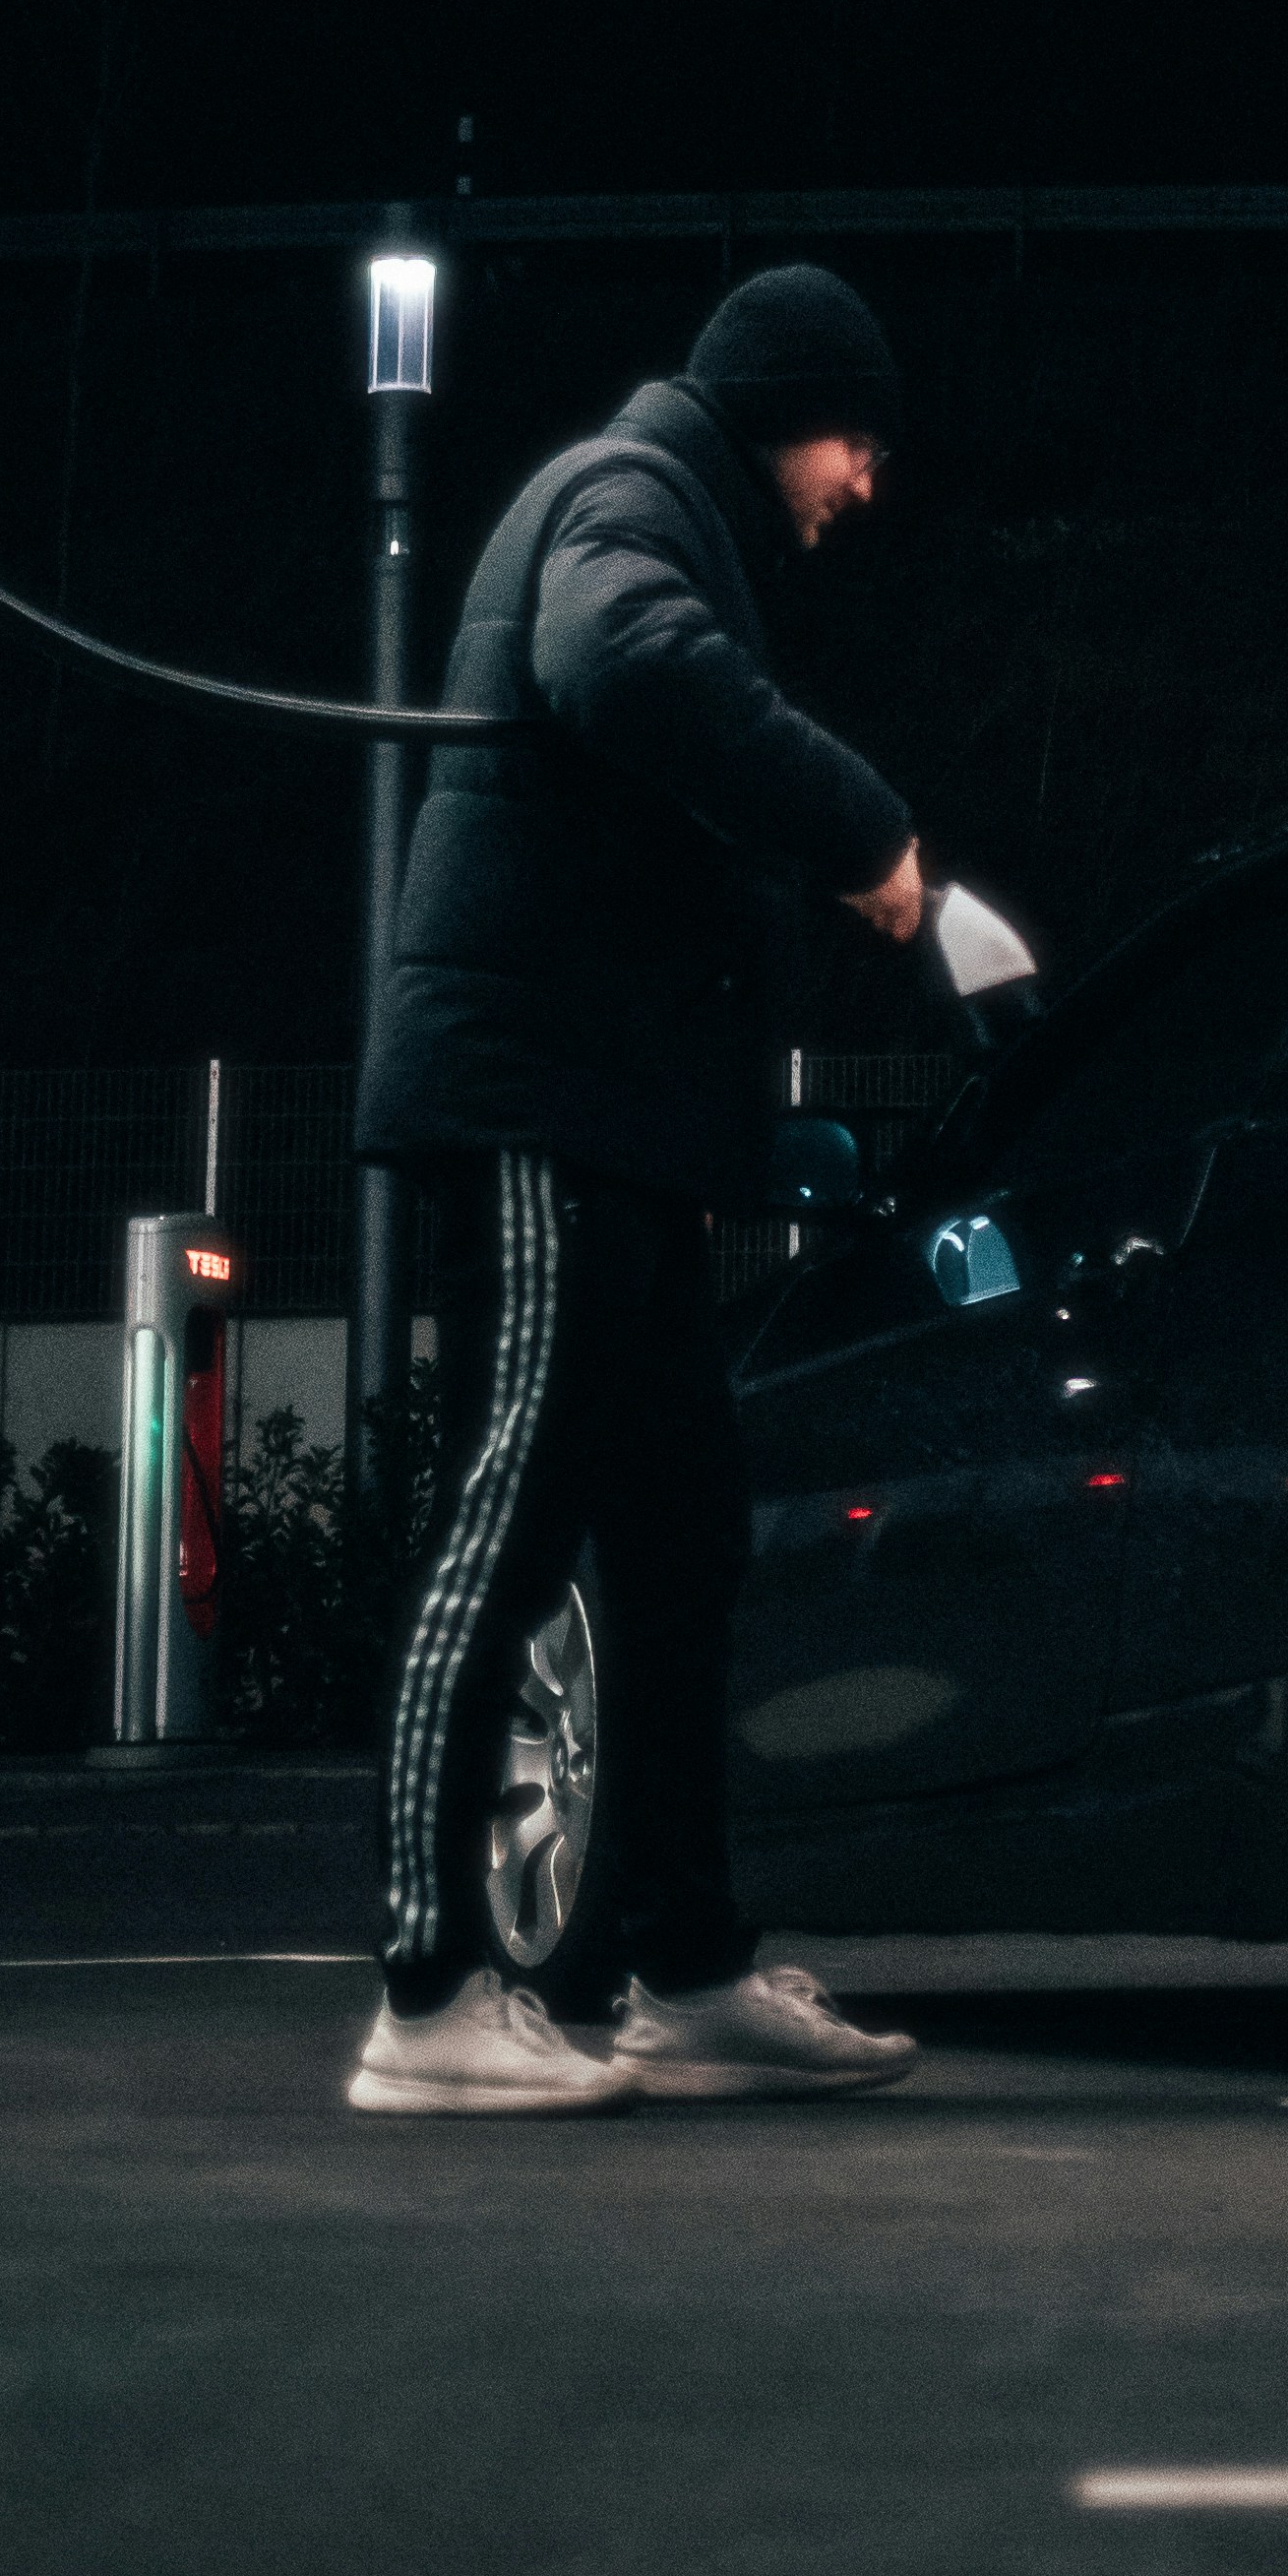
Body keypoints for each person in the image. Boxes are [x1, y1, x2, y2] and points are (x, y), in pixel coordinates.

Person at [344, 263, 933, 2114]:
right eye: (855, 441)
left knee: (685, 1543)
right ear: (781, 414)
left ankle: (688, 1973)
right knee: (506, 1523)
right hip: (547, 1113)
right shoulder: (633, 494)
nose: (866, 482)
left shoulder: (674, 511)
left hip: (631, 1135)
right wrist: (860, 828)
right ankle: (428, 1997)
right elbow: (618, 662)